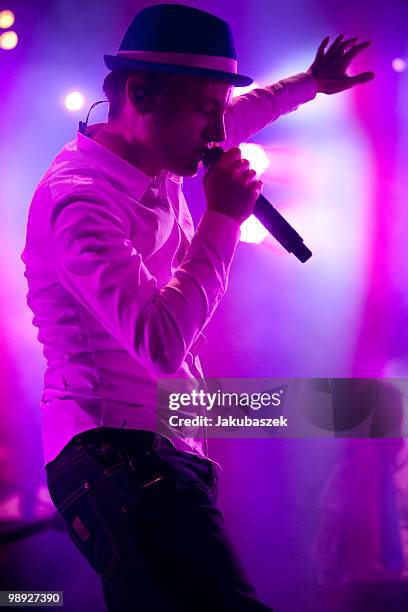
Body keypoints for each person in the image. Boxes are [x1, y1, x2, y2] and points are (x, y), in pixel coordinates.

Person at [21, 4, 374, 611]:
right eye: (203, 107)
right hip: (114, 452)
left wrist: (311, 82)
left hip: (151, 447)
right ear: (141, 93)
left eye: (219, 107)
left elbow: (241, 111)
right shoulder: (80, 202)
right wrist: (222, 219)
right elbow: (159, 343)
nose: (218, 129)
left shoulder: (160, 150)